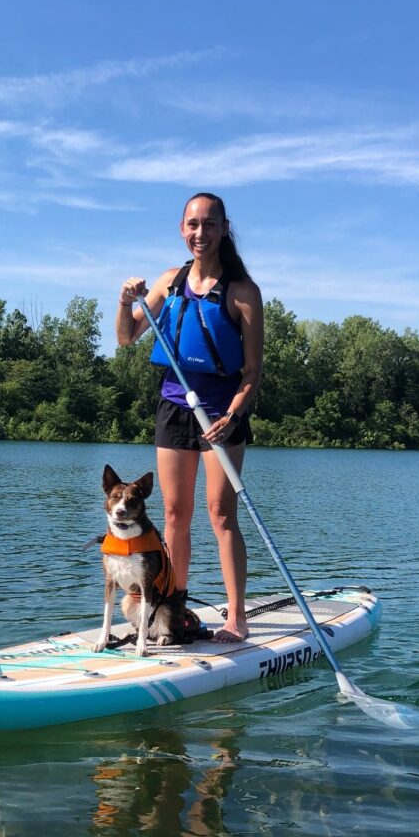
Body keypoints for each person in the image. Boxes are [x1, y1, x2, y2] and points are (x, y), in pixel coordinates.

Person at [116, 192, 264, 642]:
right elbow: (127, 338)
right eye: (193, 225)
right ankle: (174, 608)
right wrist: (124, 301)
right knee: (175, 514)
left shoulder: (243, 292)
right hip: (174, 407)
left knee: (221, 514)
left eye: (210, 224)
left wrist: (233, 415)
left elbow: (253, 372)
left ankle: (236, 617)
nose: (201, 233)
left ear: (224, 229)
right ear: (183, 229)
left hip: (221, 412)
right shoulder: (169, 282)